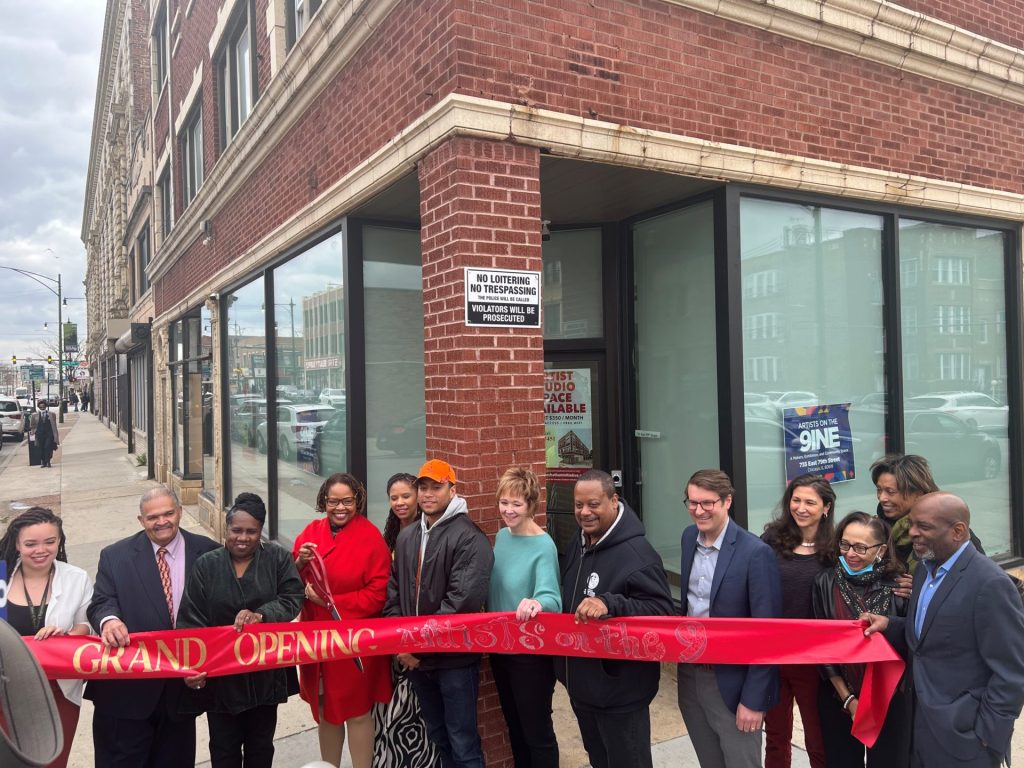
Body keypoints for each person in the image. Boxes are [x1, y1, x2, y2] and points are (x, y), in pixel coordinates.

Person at [863, 493, 1024, 768]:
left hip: (965, 739)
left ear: (958, 531)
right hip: (918, 728)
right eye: (912, 524)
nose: (912, 532)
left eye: (923, 527)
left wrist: (986, 737)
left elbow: (1012, 671)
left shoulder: (990, 584)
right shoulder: (925, 569)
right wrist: (890, 624)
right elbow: (930, 634)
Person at [85, 486, 219, 767]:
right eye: (152, 517)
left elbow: (221, 613)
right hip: (127, 695)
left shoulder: (209, 552)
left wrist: (208, 663)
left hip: (182, 694)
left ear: (180, 512)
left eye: (168, 513)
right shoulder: (115, 556)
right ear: (140, 520)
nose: (162, 522)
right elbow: (101, 602)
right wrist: (109, 620)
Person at [553, 469, 674, 768]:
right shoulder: (578, 543)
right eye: (579, 505)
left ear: (613, 501)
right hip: (583, 686)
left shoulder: (639, 554)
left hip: (621, 693)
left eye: (593, 504)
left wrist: (610, 603)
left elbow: (662, 613)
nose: (585, 512)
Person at [177, 493, 305, 768]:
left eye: (252, 531)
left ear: (261, 532)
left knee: (260, 747)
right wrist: (191, 665)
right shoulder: (207, 565)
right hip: (222, 676)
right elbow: (191, 617)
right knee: (223, 749)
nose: (243, 538)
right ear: (226, 528)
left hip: (265, 673)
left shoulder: (277, 558)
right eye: (237, 530)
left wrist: (262, 615)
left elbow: (292, 598)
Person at [383, 459, 494, 768]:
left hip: (454, 661)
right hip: (417, 661)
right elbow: (393, 594)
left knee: (464, 744)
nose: (428, 494)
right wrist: (400, 643)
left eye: (436, 487)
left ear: (452, 489)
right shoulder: (407, 537)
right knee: (439, 737)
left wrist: (414, 647)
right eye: (423, 487)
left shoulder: (470, 538)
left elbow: (461, 603)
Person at [677, 469, 781, 768]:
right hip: (691, 674)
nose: (698, 511)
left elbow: (768, 634)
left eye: (707, 503)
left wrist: (753, 699)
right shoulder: (688, 538)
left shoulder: (755, 553)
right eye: (692, 502)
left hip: (733, 684)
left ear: (727, 502)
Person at [293, 473, 393, 768]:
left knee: (357, 711)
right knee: (326, 709)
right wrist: (298, 563)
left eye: (347, 501)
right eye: (333, 501)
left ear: (357, 501)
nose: (340, 507)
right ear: (323, 501)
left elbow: (378, 593)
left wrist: (331, 602)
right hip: (316, 639)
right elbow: (287, 579)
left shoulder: (370, 536)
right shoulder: (311, 531)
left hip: (353, 640)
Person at [811, 511, 910, 767]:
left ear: (881, 549)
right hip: (838, 695)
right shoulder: (825, 582)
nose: (850, 553)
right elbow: (822, 646)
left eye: (860, 547)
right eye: (844, 544)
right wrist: (848, 700)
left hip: (889, 697)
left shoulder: (901, 585)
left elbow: (909, 640)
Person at [0, 507, 92, 768]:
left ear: (60, 541)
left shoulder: (76, 578)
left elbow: (86, 625)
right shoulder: (1, 578)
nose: (41, 550)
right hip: (5, 688)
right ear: (17, 544)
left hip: (57, 691)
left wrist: (67, 635)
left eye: (50, 542)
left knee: (51, 761)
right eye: (31, 544)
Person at [487, 466, 561, 768]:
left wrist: (536, 602)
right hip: (499, 648)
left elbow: (553, 598)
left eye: (516, 504)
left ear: (531, 505)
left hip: (530, 655)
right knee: (514, 726)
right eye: (504, 502)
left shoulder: (543, 545)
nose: (509, 510)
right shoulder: (502, 537)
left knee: (536, 731)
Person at [760, 474, 834, 768]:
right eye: (796, 500)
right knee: (776, 736)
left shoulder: (836, 549)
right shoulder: (771, 540)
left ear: (826, 507)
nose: (800, 508)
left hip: (814, 660)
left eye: (810, 502)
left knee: (818, 738)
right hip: (773, 656)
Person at [373, 472, 440, 768]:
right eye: (394, 497)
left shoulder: (429, 535)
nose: (400, 502)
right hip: (392, 635)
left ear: (419, 498)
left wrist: (411, 644)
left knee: (417, 713)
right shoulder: (389, 536)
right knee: (388, 710)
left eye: (406, 496)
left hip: (417, 642)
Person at [29, 401, 59, 468]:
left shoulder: (51, 414)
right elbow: (32, 425)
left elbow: (54, 425)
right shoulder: (34, 415)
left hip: (49, 434)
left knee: (48, 447)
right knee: (41, 448)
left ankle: (48, 461)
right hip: (40, 434)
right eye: (40, 407)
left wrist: (55, 435)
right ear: (38, 407)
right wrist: (34, 431)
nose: (42, 408)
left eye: (43, 407)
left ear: (46, 406)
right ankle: (43, 462)